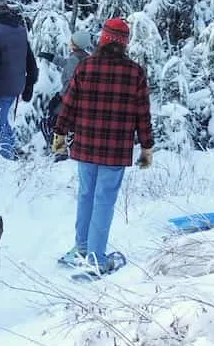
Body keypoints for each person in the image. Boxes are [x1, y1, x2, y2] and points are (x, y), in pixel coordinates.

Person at [51, 17, 153, 273]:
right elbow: (143, 114)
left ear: (103, 39)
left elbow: (69, 104)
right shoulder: (135, 73)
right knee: (103, 200)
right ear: (124, 44)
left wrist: (60, 133)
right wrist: (147, 147)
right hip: (115, 150)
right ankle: (96, 258)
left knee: (86, 195)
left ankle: (82, 247)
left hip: (86, 145)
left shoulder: (85, 67)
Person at [0, 0, 38, 161]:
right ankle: (12, 149)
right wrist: (29, 85)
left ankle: (7, 157)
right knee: (1, 119)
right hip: (17, 85)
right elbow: (30, 59)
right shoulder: (20, 30)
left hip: (1, 86)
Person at [40, 29, 92, 162]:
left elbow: (70, 82)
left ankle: (58, 149)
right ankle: (74, 146)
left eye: (72, 41)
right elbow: (65, 63)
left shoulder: (74, 59)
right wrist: (52, 58)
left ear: (75, 44)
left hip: (70, 100)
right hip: (84, 101)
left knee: (55, 120)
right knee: (72, 124)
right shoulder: (86, 57)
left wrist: (60, 97)